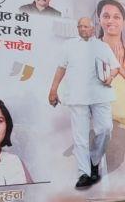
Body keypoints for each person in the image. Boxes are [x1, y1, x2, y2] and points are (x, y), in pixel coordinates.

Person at [48, 17, 120, 188]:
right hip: (77, 96)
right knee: (80, 137)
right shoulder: (69, 46)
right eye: (79, 26)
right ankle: (84, 173)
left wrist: (110, 76)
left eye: (85, 26)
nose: (82, 29)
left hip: (101, 95)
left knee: (105, 129)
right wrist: (53, 90)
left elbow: (116, 67)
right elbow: (61, 68)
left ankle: (94, 161)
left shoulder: (103, 46)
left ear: (93, 28)